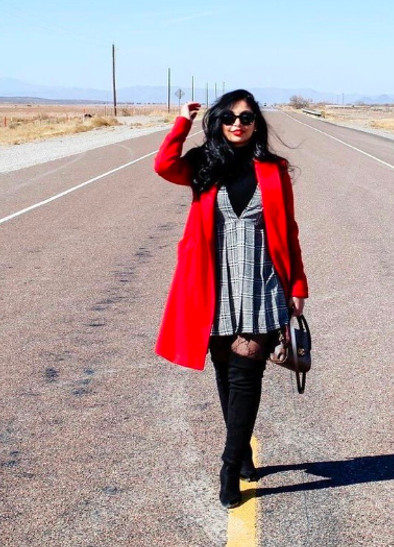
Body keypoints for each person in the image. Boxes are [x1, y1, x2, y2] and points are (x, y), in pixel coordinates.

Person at [153, 90, 308, 509]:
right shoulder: (204, 164)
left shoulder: (273, 171)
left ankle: (228, 465)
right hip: (213, 282)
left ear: (256, 122)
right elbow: (164, 165)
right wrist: (181, 123)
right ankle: (243, 452)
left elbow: (289, 230)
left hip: (261, 279)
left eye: (246, 117)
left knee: (246, 374)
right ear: (218, 121)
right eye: (228, 117)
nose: (237, 124)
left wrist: (297, 286)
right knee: (225, 373)